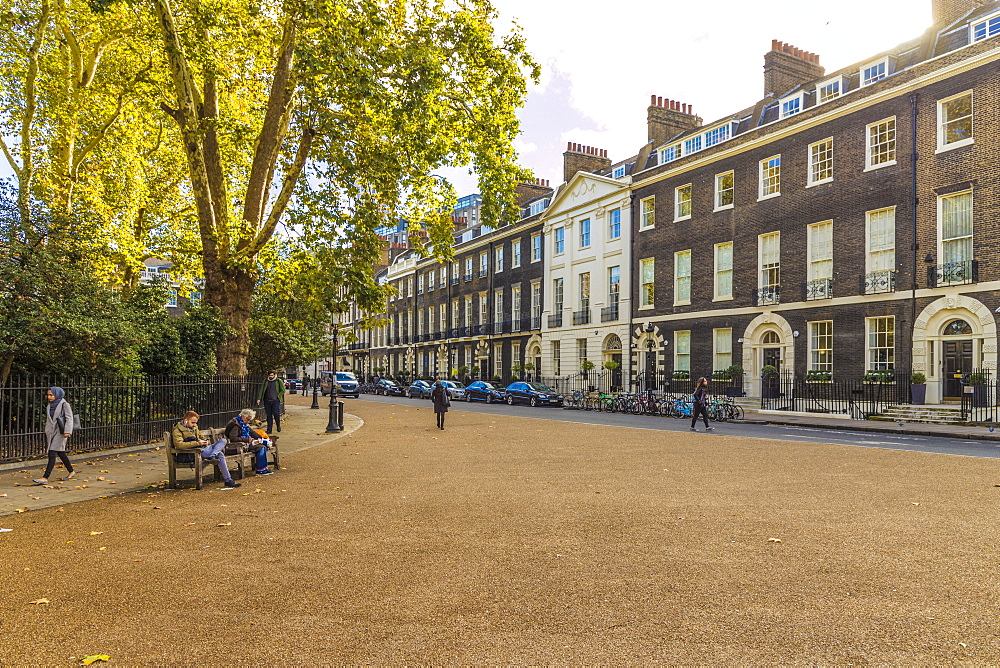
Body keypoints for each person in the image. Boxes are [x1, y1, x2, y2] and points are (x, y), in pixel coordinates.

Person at [171, 411, 241, 487]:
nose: (194, 425)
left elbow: (202, 437)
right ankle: (228, 480)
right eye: (193, 423)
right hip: (193, 453)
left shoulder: (195, 428)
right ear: (185, 421)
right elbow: (179, 445)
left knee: (223, 441)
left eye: (195, 423)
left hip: (202, 449)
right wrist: (198, 443)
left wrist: (205, 441)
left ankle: (214, 456)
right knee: (220, 454)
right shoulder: (177, 430)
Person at [33, 387, 76, 485]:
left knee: (52, 453)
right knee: (61, 453)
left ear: (58, 395)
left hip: (61, 432)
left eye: (51, 395)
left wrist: (68, 431)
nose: (49, 397)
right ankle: (71, 471)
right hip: (51, 432)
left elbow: (69, 418)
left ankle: (45, 477)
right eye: (48, 395)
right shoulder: (49, 405)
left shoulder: (65, 404)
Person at [226, 408, 273, 476]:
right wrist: (247, 439)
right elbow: (233, 438)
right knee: (261, 448)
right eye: (247, 419)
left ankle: (263, 468)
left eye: (249, 420)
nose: (248, 421)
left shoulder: (244, 424)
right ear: (243, 416)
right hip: (238, 446)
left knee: (263, 445)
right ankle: (260, 469)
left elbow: (252, 433)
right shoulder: (235, 425)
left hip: (246, 444)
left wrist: (262, 438)